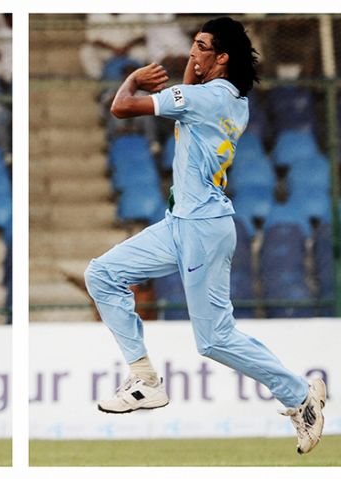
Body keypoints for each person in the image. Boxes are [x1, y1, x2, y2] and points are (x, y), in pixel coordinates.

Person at [83, 17, 325, 454]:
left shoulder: (207, 98)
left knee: (214, 338)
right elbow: (188, 88)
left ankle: (299, 396)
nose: (191, 53)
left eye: (200, 46)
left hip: (203, 228)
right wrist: (193, 67)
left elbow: (121, 108)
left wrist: (134, 78)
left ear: (222, 57)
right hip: (181, 222)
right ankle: (144, 379)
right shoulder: (227, 98)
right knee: (102, 274)